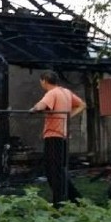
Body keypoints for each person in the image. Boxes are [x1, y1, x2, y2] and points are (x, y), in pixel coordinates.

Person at [29, 71, 86, 205]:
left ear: (44, 81)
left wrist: (33, 109)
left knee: (52, 172)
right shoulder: (66, 92)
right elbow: (82, 104)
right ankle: (76, 200)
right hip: (63, 136)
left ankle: (60, 202)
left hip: (53, 135)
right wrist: (68, 116)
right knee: (60, 171)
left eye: (40, 81)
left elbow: (41, 106)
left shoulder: (52, 93)